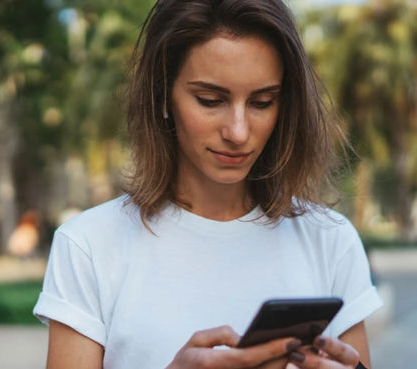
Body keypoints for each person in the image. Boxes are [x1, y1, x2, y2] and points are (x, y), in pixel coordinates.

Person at [33, 0, 383, 368]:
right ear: (163, 95)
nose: (238, 131)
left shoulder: (330, 240)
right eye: (210, 100)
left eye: (262, 102)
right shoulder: (89, 245)